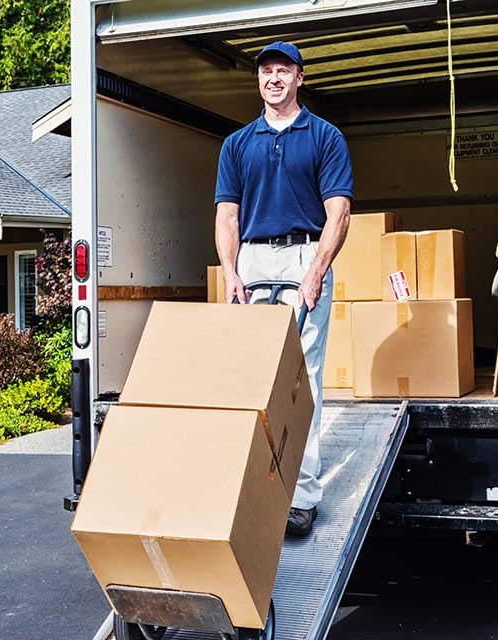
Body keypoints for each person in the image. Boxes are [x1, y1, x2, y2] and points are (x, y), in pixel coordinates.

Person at [213, 41, 353, 537]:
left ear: (299, 78)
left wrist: (316, 270)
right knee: (250, 379)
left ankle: (302, 496)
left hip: (303, 256)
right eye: (266, 71)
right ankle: (250, 486)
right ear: (259, 80)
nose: (273, 78)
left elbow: (339, 210)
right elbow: (227, 214)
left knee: (303, 378)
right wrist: (230, 271)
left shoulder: (324, 136)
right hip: (252, 260)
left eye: (283, 71)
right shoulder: (238, 143)